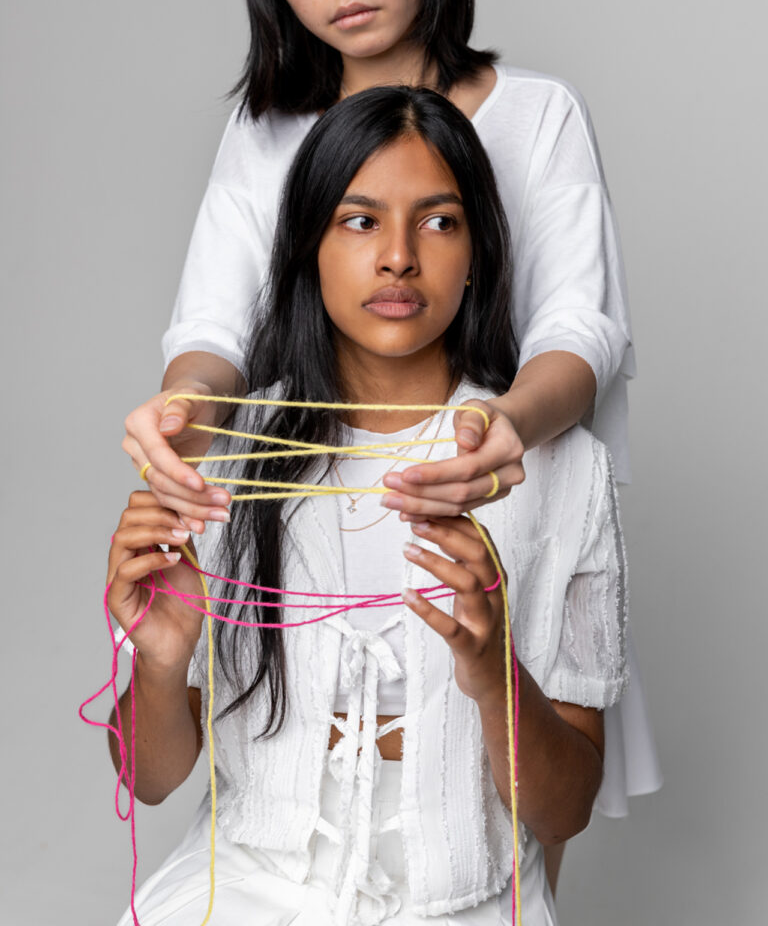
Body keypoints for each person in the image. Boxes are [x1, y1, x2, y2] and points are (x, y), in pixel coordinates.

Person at [120, 0, 659, 886]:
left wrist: (502, 431)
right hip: (315, 494)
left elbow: (578, 329)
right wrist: (181, 420)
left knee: (490, 832)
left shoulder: (535, 117)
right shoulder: (266, 131)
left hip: (502, 505)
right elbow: (215, 329)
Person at [108, 87, 628, 926]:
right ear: (307, 247)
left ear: (480, 252)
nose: (397, 258)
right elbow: (150, 778)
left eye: (439, 221)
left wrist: (495, 674)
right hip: (244, 883)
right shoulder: (223, 456)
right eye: (358, 221)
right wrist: (161, 664)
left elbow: (563, 812)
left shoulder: (562, 469)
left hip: (464, 895)